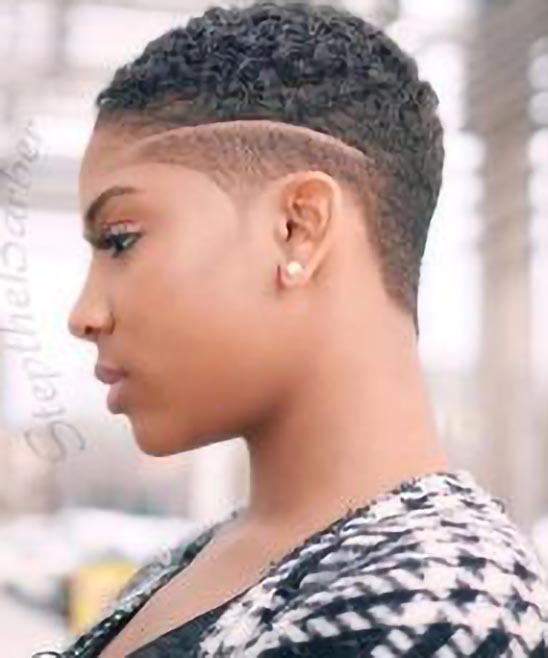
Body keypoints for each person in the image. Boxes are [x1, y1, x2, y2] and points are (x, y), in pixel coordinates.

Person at [34, 1, 548, 656]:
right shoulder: (194, 559)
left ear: (297, 228)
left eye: (120, 240)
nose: (83, 314)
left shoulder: (449, 600)